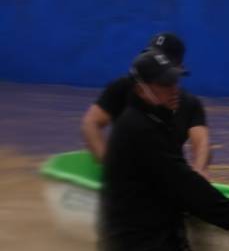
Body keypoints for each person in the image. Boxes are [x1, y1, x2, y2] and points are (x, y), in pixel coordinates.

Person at [100, 50, 229, 251]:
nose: (174, 89)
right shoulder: (138, 128)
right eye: (165, 84)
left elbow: (178, 176)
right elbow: (179, 179)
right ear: (140, 89)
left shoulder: (153, 121)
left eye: (175, 81)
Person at [82, 32, 211, 177]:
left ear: (178, 68)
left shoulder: (190, 104)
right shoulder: (121, 88)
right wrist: (109, 167)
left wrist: (199, 171)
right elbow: (90, 123)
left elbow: (201, 142)